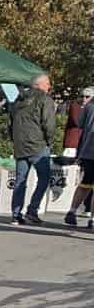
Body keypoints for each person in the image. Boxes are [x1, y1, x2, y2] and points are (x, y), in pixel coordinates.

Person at [9, 72, 57, 227]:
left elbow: (11, 123)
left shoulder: (18, 100)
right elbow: (49, 124)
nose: (49, 86)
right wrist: (50, 141)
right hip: (38, 145)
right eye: (47, 83)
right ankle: (32, 210)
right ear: (39, 84)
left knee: (20, 181)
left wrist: (15, 140)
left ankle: (16, 215)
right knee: (44, 178)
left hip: (20, 146)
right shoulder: (45, 99)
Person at [65, 86, 94, 231]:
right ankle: (92, 219)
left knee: (86, 183)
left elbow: (80, 124)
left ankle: (72, 210)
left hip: (88, 151)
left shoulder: (89, 106)